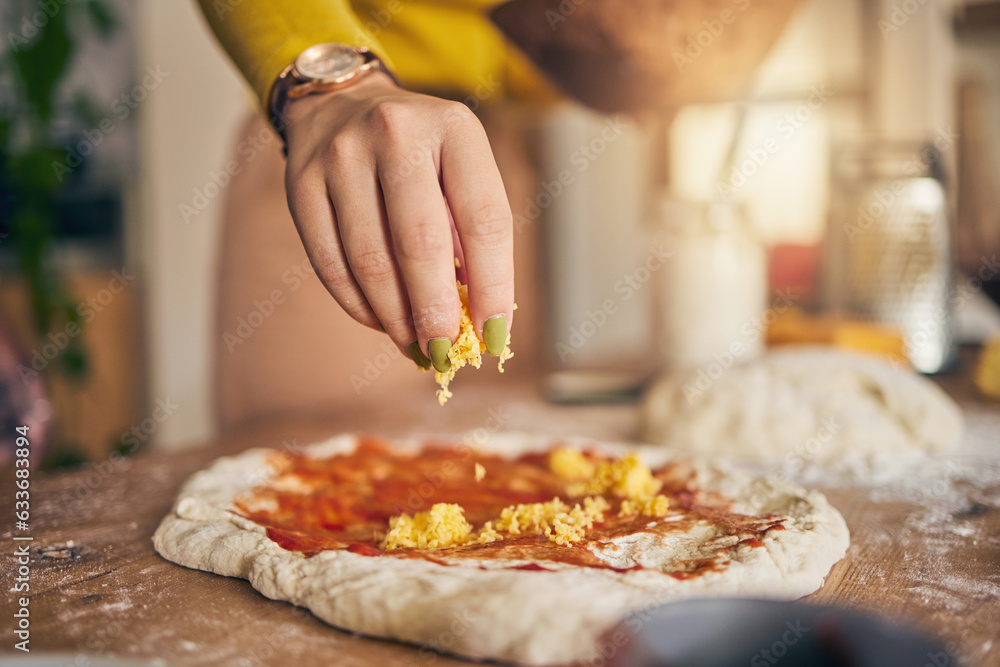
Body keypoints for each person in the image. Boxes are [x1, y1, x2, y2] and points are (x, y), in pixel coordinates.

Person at [196, 0, 560, 374]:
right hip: (341, 143)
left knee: (505, 423)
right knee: (323, 424)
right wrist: (335, 84)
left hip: (500, 140)